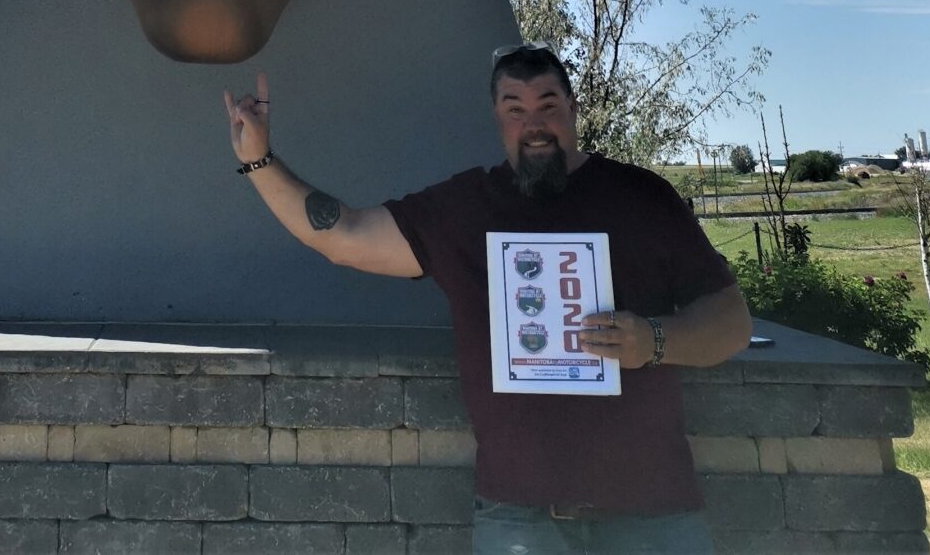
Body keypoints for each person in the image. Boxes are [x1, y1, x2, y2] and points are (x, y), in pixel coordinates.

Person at [223, 44, 752, 554]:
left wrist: (653, 341)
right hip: (519, 519)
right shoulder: (465, 209)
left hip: (653, 512)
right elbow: (344, 236)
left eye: (548, 104)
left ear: (572, 108)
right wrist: (258, 160)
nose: (534, 122)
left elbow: (731, 322)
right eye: (514, 108)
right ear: (496, 119)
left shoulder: (643, 197)